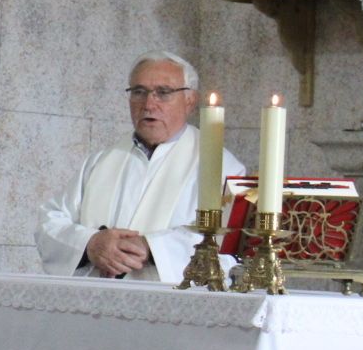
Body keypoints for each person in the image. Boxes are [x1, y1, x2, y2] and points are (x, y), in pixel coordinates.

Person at [36, 52, 242, 285]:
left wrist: (152, 248)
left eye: (163, 93)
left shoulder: (220, 166)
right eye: (139, 92)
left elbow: (228, 248)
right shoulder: (101, 161)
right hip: (95, 304)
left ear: (190, 101)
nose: (149, 104)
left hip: (171, 309)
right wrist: (89, 243)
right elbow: (49, 223)